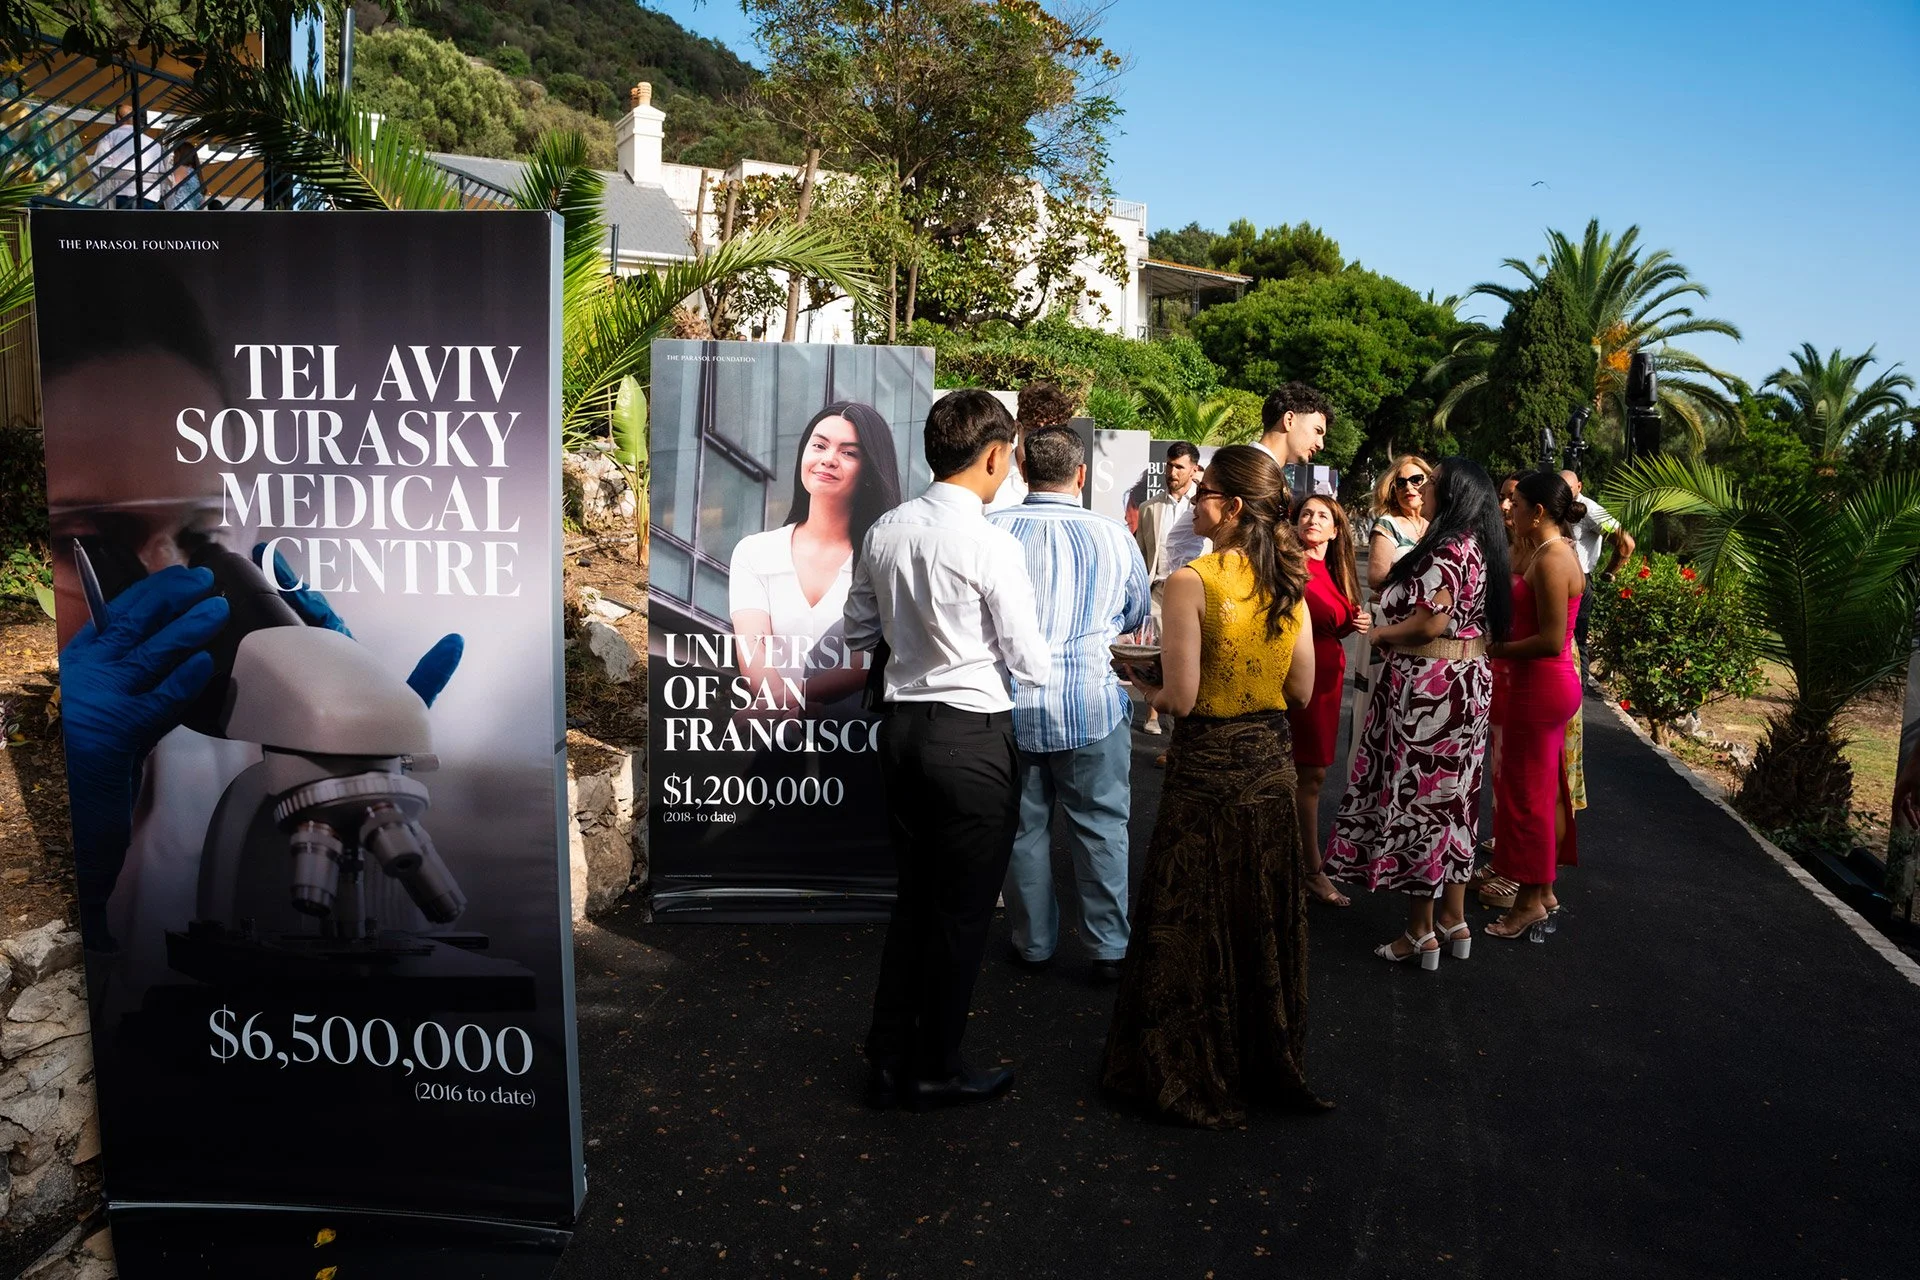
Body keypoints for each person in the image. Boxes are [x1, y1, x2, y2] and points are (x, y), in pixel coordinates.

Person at [1101, 445, 1323, 1128]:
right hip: (1269, 766)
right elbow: (1304, 688)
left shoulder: (1194, 580)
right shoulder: (1289, 577)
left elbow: (1186, 698)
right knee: (1260, 912)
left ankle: (1193, 1062)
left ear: (1227, 507)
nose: (1194, 500)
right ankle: (1262, 1057)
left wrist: (1146, 685)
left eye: (1204, 493)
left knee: (1194, 918)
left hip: (1207, 770)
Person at [844, 389, 1050, 1112]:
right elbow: (1030, 661)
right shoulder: (994, 544)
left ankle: (889, 1052)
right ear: (994, 454)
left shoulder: (884, 530)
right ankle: (935, 1064)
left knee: (916, 901)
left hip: (902, 735)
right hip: (971, 737)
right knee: (961, 912)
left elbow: (857, 631)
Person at [1324, 458, 1511, 969]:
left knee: (1421, 801)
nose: (1421, 491)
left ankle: (1419, 931)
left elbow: (1430, 625)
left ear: (1449, 496)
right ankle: (1454, 918)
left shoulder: (1446, 549)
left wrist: (1381, 634)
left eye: (1430, 485)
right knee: (1456, 803)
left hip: (1431, 687)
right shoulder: (1479, 547)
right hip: (1468, 683)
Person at [989, 428, 1150, 984]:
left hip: (1008, 705)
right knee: (1102, 827)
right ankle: (1107, 948)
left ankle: (1033, 943)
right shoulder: (1112, 535)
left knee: (1020, 830)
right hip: (1091, 703)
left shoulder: (992, 530)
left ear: (1022, 469)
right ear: (1081, 475)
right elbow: (1134, 615)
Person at [729, 401, 902, 711]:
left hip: (859, 741)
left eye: (849, 453)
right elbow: (754, 651)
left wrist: (787, 701)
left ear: (869, 470)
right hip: (776, 740)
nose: (828, 460)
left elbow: (871, 662)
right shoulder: (754, 552)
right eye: (819, 445)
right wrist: (785, 713)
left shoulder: (887, 558)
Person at [1484, 471, 1587, 939]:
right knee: (1539, 793)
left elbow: (1549, 641)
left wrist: (1494, 650)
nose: (1510, 509)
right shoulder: (1549, 551)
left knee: (1526, 799)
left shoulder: (1552, 559)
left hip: (1539, 685)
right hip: (1538, 686)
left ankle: (1526, 904)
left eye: (1518, 504)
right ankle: (1542, 890)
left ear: (1539, 512)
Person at [1290, 495, 1369, 907]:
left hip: (1328, 677)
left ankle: (1299, 862)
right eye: (1306, 514)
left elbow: (1336, 622)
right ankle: (1311, 869)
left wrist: (1359, 620)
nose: (1312, 520)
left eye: (1322, 515)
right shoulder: (1288, 563)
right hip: (1294, 675)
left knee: (1313, 774)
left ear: (1336, 529)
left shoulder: (1339, 570)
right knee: (1306, 775)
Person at [1134, 441, 1209, 739]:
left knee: (1187, 656)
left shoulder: (1205, 504)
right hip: (1159, 589)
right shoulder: (1149, 507)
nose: (1172, 472)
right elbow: (1142, 551)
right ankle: (1153, 713)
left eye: (1179, 466)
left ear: (1194, 469)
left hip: (1195, 589)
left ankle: (1182, 725)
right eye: (1169, 465)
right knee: (1156, 653)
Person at [1560, 469, 1634, 692]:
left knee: (1577, 641)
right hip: (1555, 580)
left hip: (1579, 582)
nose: (1564, 492)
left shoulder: (1591, 510)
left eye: (1569, 489)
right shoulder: (1556, 505)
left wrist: (1610, 571)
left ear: (1580, 487)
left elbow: (1626, 543)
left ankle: (1577, 698)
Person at [1367, 455, 1433, 591]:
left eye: (1416, 480)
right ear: (1393, 490)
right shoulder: (1388, 524)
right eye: (1401, 483)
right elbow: (1376, 579)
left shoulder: (1439, 523)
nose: (1408, 487)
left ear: (1430, 483)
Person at [89, 101, 162, 208]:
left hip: (119, 196)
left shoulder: (110, 137)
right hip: (149, 198)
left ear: (118, 118)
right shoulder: (155, 144)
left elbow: (99, 168)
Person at [1253, 382, 1330, 471]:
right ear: (1289, 420)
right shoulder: (1248, 473)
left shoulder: (1248, 467)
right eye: (1317, 430)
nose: (1321, 445)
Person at [161, 142, 207, 210]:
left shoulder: (181, 169)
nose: (173, 157)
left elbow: (171, 188)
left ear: (181, 155)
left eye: (175, 154)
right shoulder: (197, 173)